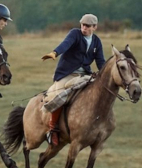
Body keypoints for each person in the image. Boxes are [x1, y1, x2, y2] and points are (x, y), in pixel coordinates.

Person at [40, 13, 106, 145]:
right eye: (82, 25)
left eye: (88, 26)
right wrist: (55, 53)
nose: (84, 28)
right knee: (59, 96)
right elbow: (66, 44)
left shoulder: (97, 42)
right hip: (67, 74)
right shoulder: (75, 34)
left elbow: (100, 63)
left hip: (84, 75)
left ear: (95, 27)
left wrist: (105, 75)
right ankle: (52, 129)